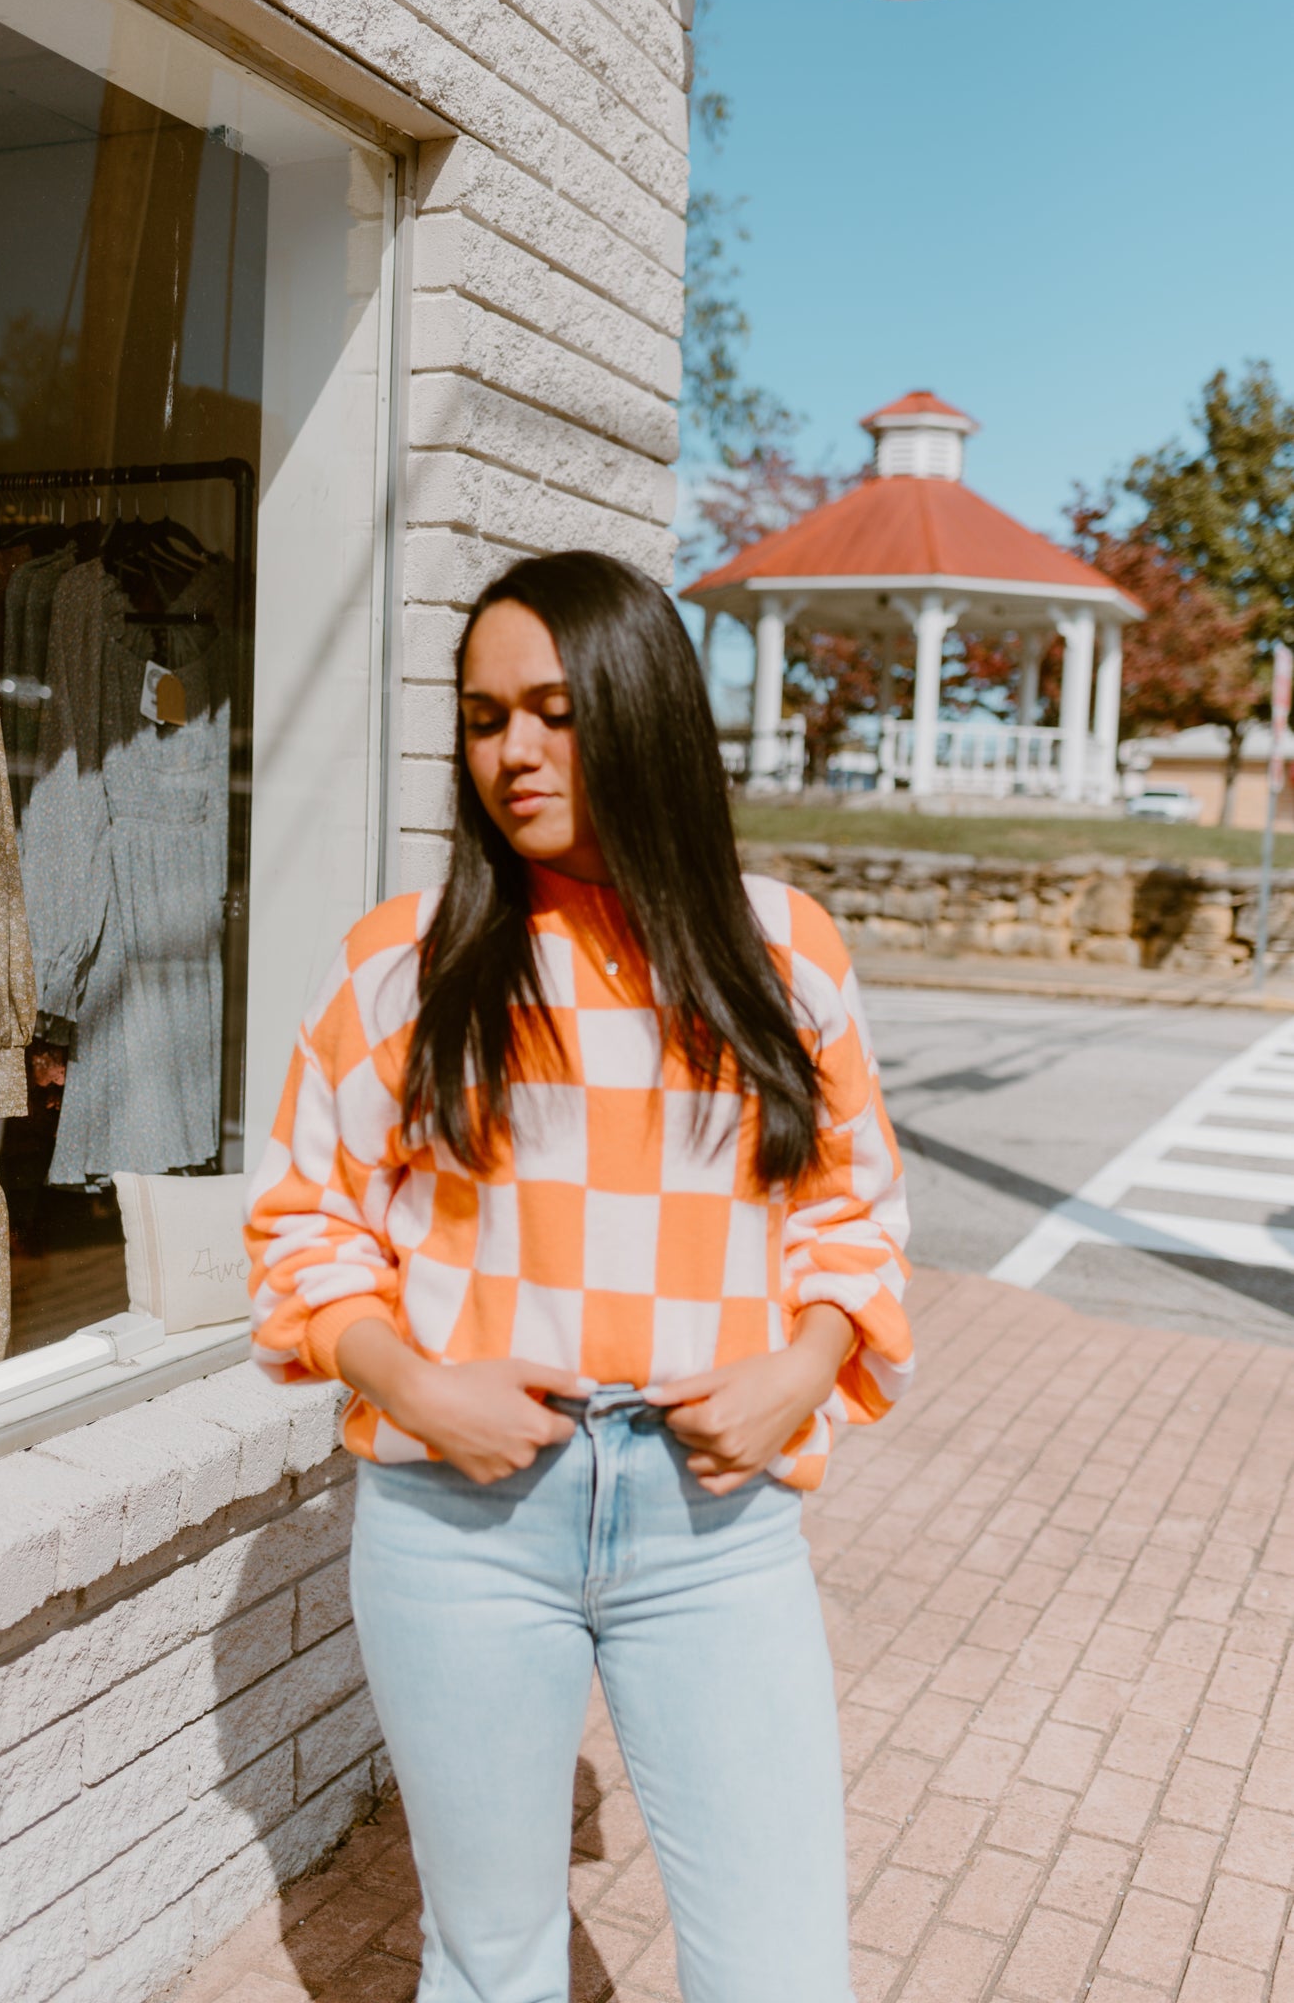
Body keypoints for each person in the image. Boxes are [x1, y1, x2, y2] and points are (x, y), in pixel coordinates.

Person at [244, 549, 914, 2003]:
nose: (517, 750)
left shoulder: (779, 949)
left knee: (783, 1969)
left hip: (711, 1522)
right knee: (492, 1967)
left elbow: (850, 1208)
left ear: (643, 709)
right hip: (459, 1524)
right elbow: (306, 1224)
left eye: (555, 707)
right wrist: (420, 1384)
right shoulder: (401, 966)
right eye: (487, 718)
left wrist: (800, 1370)